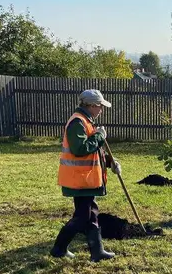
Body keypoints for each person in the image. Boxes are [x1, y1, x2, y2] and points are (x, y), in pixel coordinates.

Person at [50, 89, 122, 261]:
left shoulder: (87, 121)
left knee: (91, 214)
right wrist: (98, 136)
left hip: (86, 179)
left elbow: (95, 152)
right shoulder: (77, 122)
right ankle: (58, 249)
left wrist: (112, 163)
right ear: (90, 105)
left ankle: (97, 252)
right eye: (100, 106)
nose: (101, 110)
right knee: (82, 217)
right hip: (79, 179)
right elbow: (80, 149)